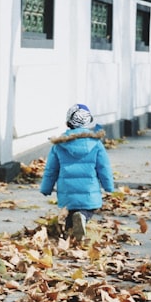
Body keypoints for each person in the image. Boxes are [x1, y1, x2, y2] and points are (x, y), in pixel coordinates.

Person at [39, 104, 115, 242]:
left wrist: (46, 188)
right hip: (89, 188)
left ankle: (69, 236)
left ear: (68, 122)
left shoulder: (59, 144)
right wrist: (108, 186)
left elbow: (51, 169)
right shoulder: (95, 143)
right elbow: (104, 167)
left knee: (71, 211)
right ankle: (83, 219)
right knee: (87, 210)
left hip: (67, 188)